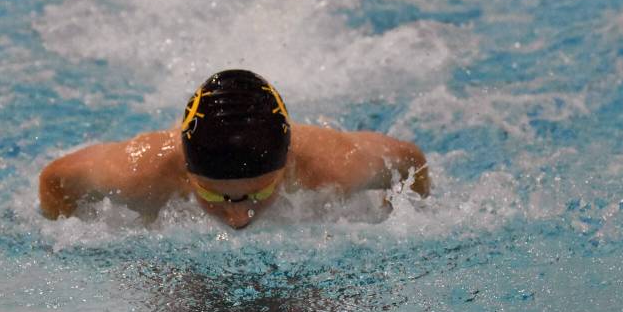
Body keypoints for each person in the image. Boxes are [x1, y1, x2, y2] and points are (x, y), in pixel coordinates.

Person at [39, 69, 429, 229]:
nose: (238, 215)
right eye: (213, 194)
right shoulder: (140, 172)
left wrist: (395, 218)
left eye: (259, 192)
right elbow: (55, 181)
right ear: (187, 172)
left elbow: (410, 161)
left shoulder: (333, 166)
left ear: (287, 162)